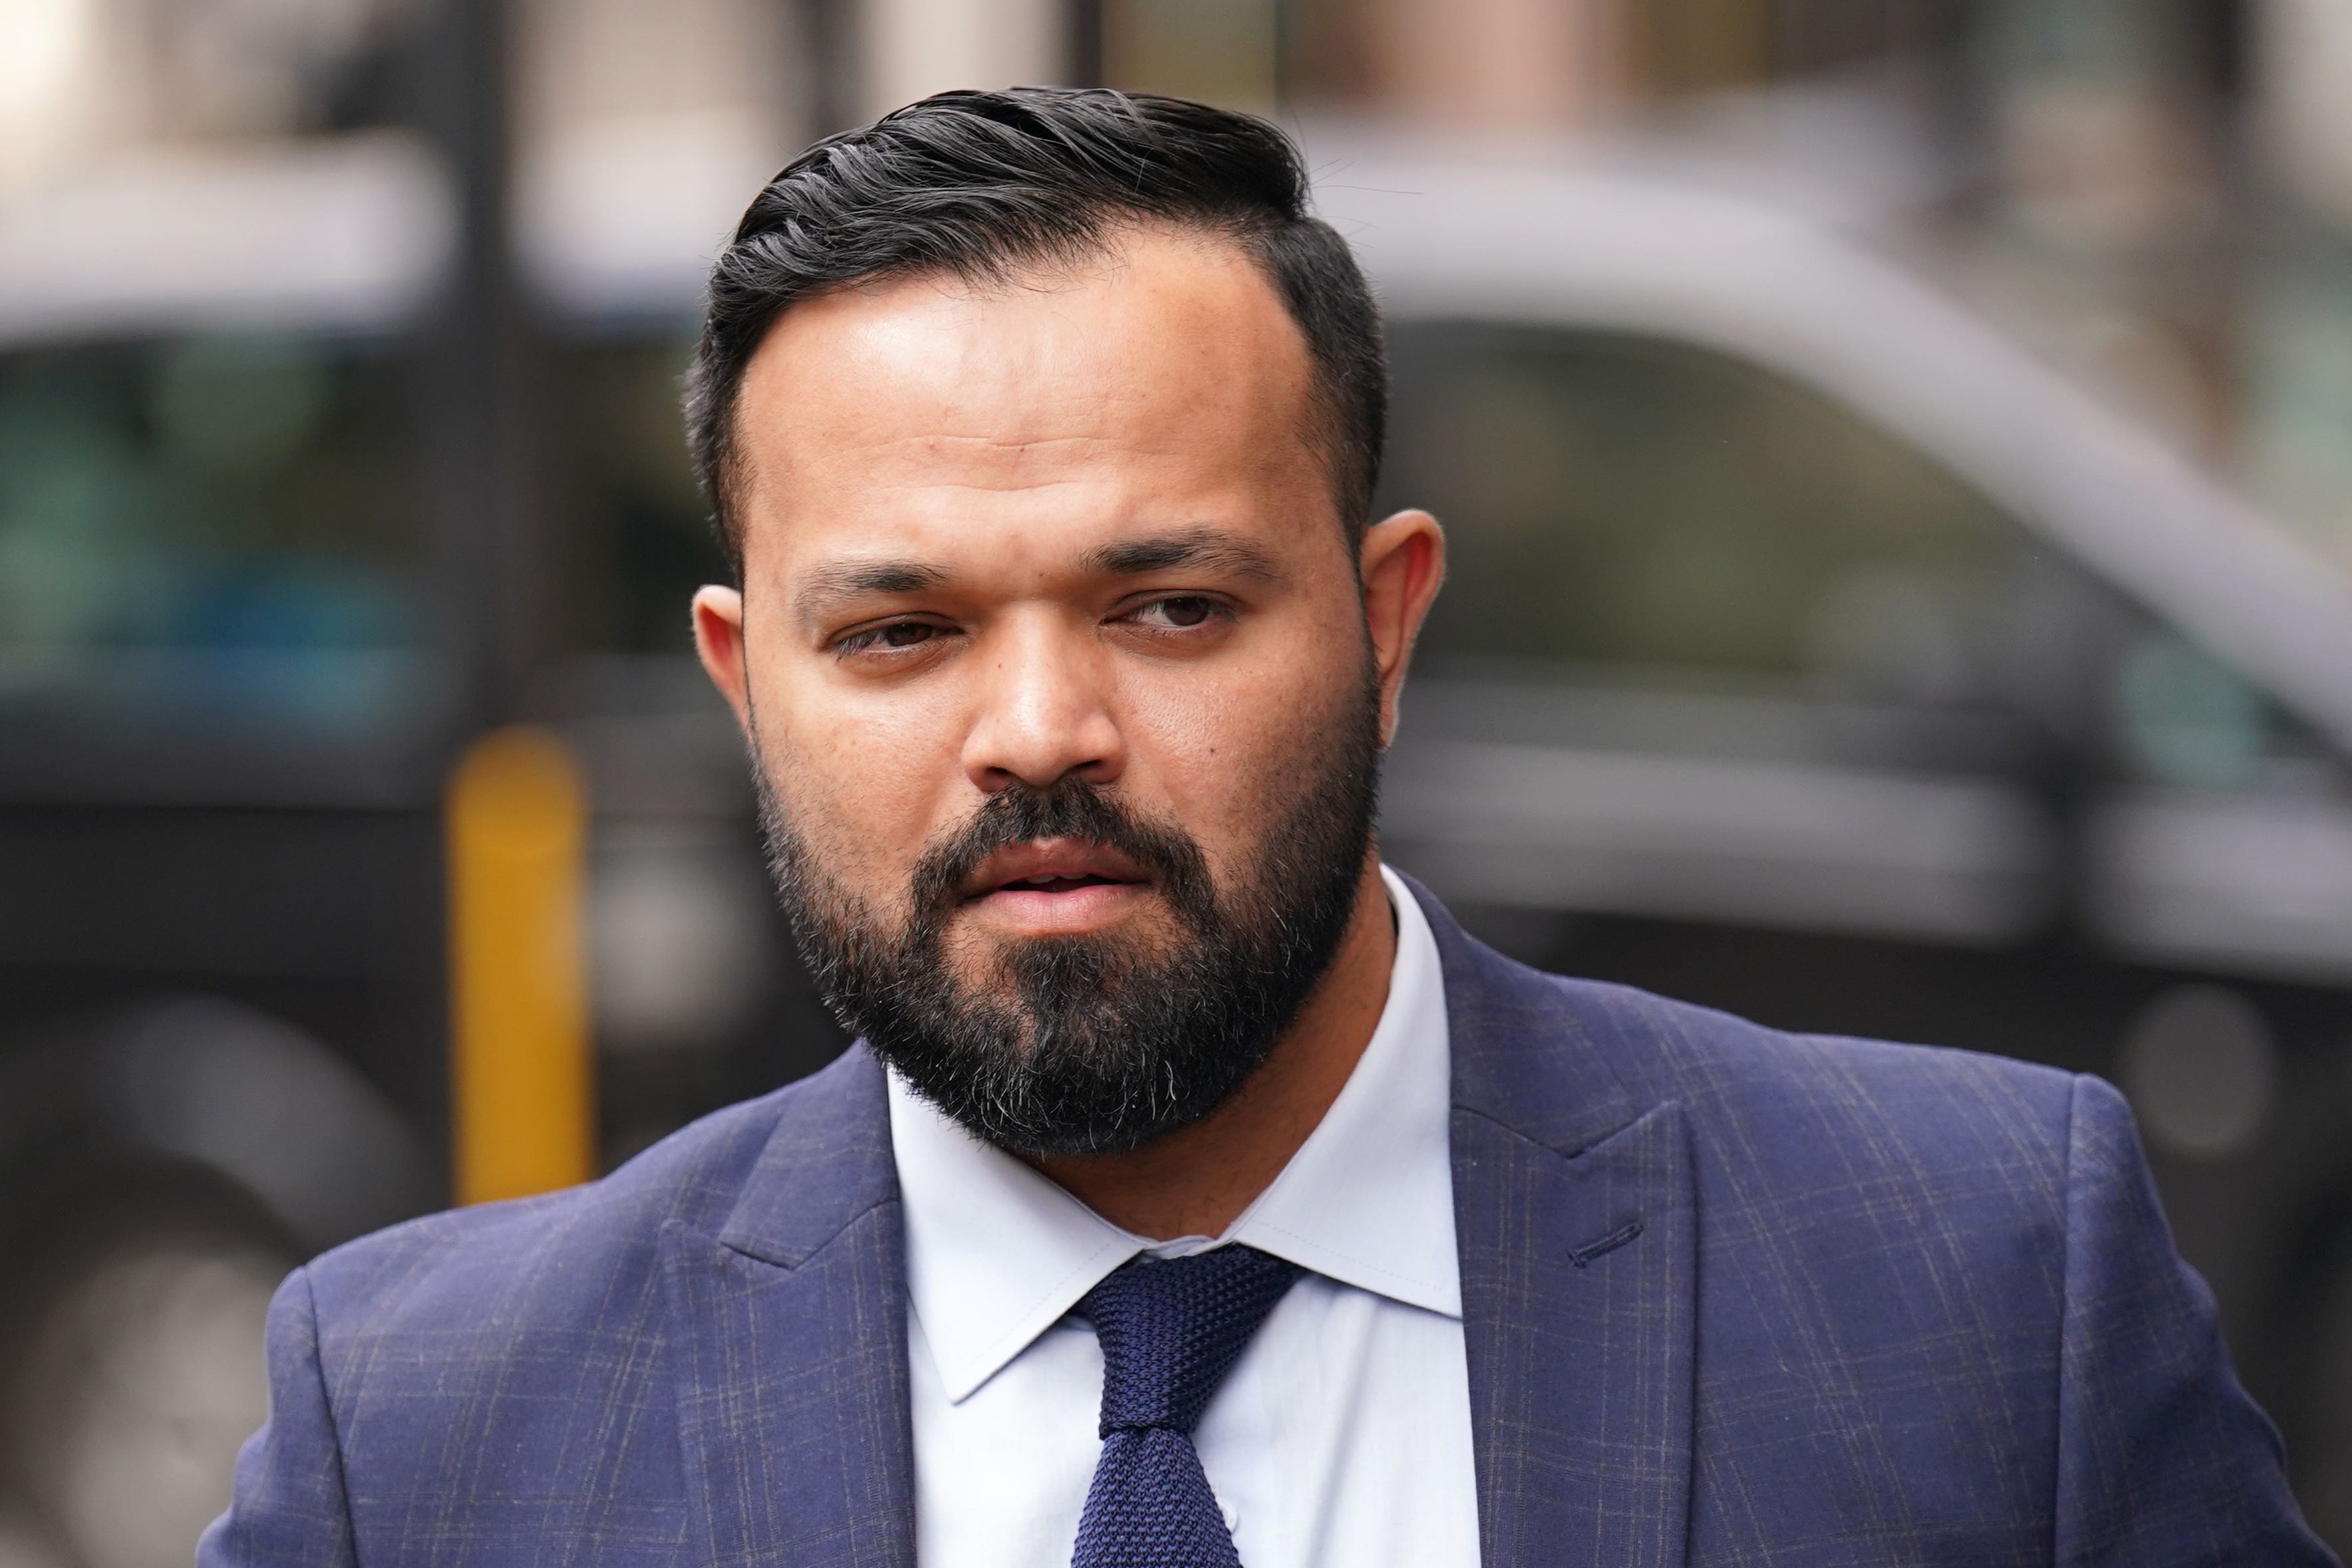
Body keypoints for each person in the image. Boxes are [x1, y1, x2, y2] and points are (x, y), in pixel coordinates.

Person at [201, 87, 2332, 1568]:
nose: (1040, 730)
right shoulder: (430, 1432)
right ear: (743, 684)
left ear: (1385, 622)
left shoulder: (1976, 1285)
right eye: (901, 632)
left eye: (1171, 608)